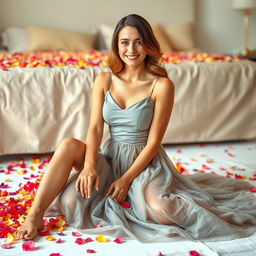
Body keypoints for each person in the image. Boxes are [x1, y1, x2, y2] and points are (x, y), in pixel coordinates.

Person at [16, 14, 256, 242]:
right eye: (125, 43)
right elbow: (95, 128)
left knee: (163, 212)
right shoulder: (104, 79)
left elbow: (154, 143)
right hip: (110, 157)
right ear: (116, 45)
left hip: (144, 162)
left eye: (138, 43)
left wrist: (126, 180)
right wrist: (89, 165)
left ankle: (140, 195)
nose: (131, 50)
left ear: (149, 45)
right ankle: (34, 215)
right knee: (70, 189)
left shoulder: (162, 85)